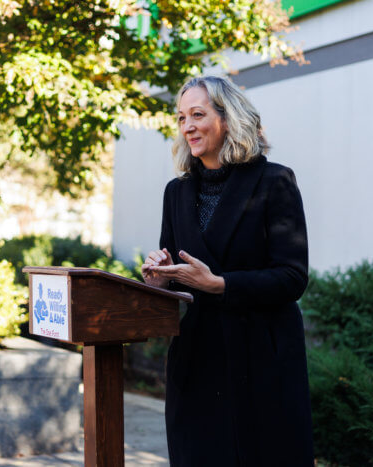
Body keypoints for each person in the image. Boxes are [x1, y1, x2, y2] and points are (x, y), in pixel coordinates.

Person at [141, 76, 314, 466]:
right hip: (197, 357)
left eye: (197, 114)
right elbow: (174, 266)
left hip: (261, 359)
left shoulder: (274, 181)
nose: (187, 126)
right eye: (182, 117)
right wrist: (161, 276)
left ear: (227, 118)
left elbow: (292, 277)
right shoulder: (176, 192)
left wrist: (221, 285)